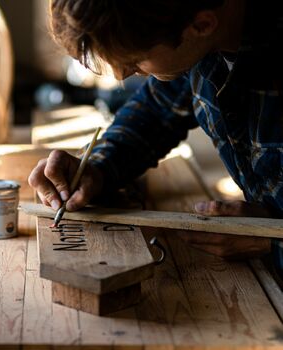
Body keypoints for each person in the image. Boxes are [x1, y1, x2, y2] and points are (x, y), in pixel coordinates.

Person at [28, 0, 283, 269]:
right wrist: (96, 169)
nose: (120, 74)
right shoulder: (195, 38)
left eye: (134, 60)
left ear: (203, 25)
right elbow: (157, 112)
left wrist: (270, 243)